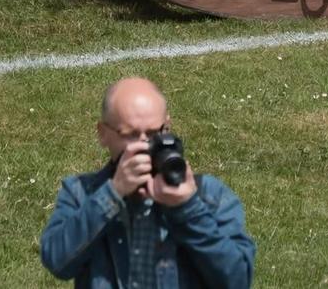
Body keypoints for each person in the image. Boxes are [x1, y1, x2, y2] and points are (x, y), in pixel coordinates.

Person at [41, 77, 256, 288]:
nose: (144, 145)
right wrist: (112, 194)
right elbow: (57, 262)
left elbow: (237, 280)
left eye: (154, 133)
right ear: (103, 134)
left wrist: (188, 209)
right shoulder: (82, 193)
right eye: (131, 134)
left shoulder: (209, 195)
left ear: (167, 128)